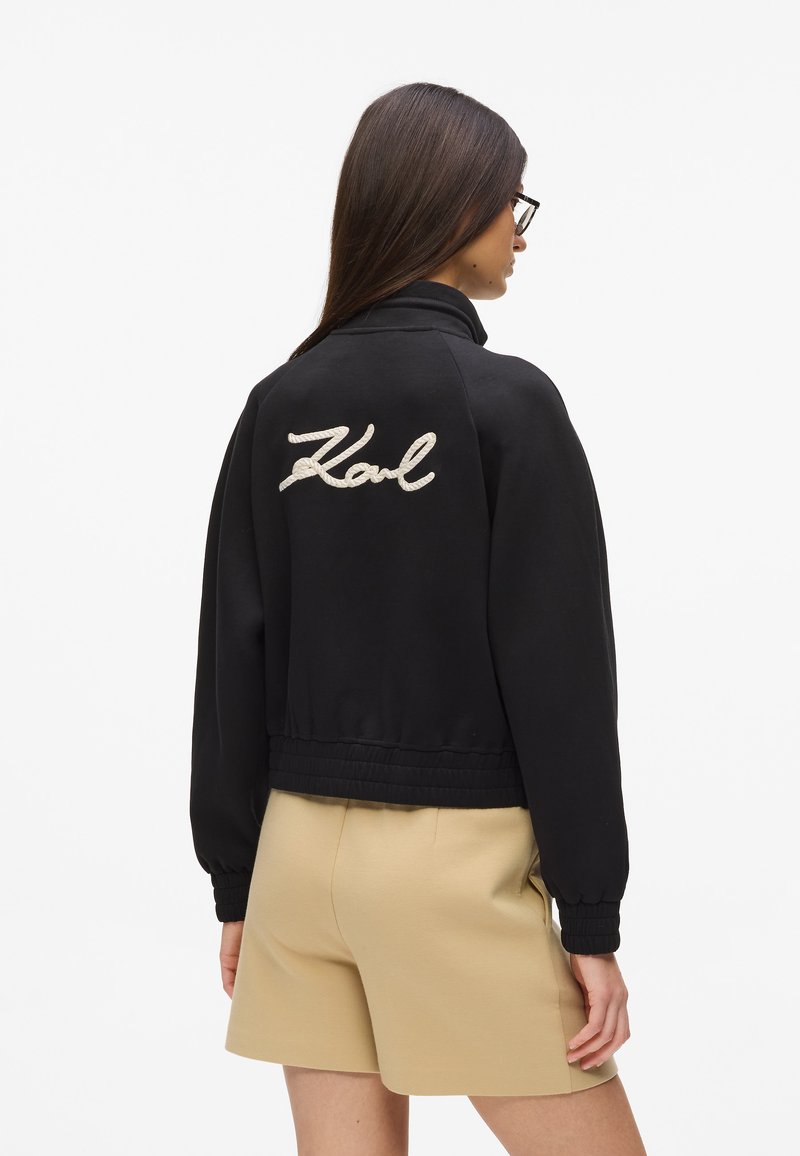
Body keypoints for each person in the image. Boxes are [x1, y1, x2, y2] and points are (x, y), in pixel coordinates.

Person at [189, 81, 647, 1156]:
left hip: (295, 860)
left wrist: (237, 878)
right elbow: (560, 673)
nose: (519, 234)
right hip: (451, 868)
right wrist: (591, 915)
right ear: (453, 208)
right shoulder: (505, 403)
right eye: (511, 205)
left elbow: (230, 655)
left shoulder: (280, 404)